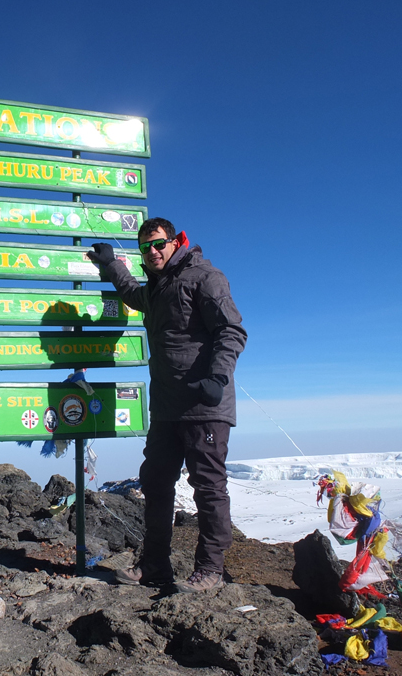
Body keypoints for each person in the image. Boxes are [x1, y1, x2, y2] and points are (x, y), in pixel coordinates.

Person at [87, 218, 247, 593]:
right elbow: (130, 293)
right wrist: (112, 265)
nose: (153, 252)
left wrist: (218, 378)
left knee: (207, 487)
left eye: (158, 244)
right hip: (165, 408)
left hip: (204, 404)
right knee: (156, 483)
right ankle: (155, 563)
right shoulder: (157, 289)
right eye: (145, 247)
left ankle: (210, 569)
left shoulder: (204, 277)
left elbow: (231, 329)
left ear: (176, 242)